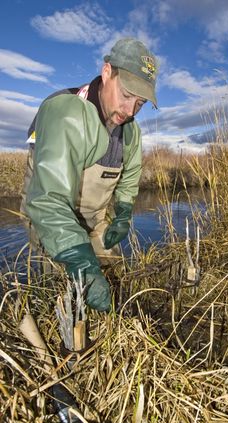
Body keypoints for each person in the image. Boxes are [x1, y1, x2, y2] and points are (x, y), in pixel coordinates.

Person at [21, 38, 158, 312]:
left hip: (95, 220)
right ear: (107, 72)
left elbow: (130, 177)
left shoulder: (131, 131)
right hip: (52, 220)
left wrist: (122, 212)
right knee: (63, 296)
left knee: (110, 282)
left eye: (140, 103)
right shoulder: (66, 113)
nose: (130, 111)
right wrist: (79, 259)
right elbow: (48, 201)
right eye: (127, 95)